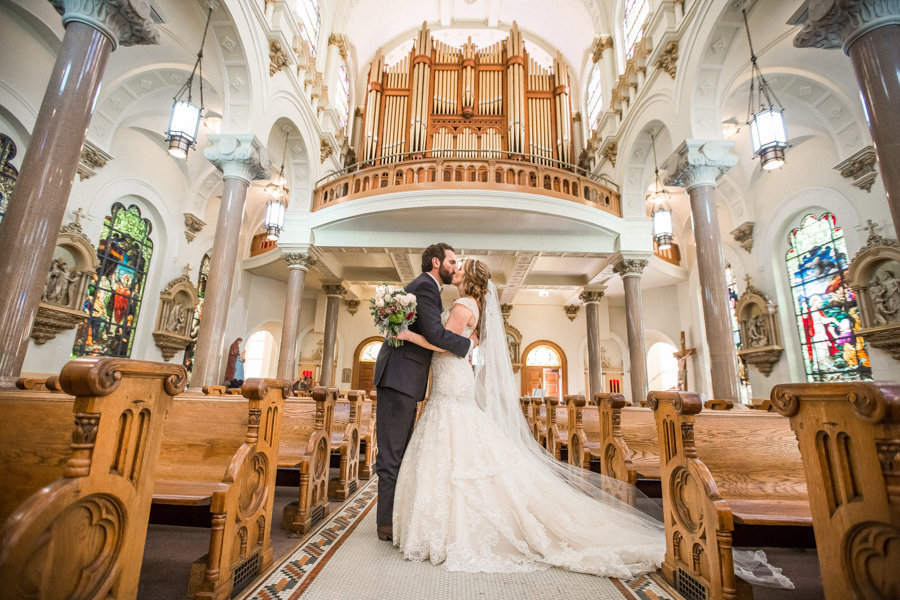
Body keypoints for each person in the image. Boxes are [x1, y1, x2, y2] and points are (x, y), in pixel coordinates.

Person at [391, 260, 793, 586]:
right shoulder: (473, 307)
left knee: (456, 448)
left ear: (470, 280)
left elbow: (447, 342)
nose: (455, 269)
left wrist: (408, 336)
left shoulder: (463, 307)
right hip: (451, 381)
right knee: (460, 450)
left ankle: (449, 530)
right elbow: (457, 343)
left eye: (460, 268)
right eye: (454, 265)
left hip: (451, 383)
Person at [372, 243, 476, 543]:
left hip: (405, 378)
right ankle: (387, 525)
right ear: (436, 262)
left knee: (400, 452)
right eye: (452, 261)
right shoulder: (426, 287)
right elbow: (434, 333)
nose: (455, 267)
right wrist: (466, 346)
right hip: (399, 378)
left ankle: (392, 518)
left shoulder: (428, 288)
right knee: (393, 454)